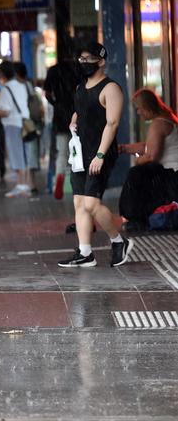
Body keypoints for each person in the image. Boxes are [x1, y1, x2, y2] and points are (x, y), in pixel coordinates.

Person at [57, 42, 133, 268]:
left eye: (89, 59)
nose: (84, 63)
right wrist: (74, 118)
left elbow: (112, 123)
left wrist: (100, 155)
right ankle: (85, 252)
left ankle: (119, 241)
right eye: (81, 59)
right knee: (79, 203)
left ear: (101, 61)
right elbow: (81, 110)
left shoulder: (111, 88)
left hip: (100, 153)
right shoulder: (81, 87)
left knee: (91, 204)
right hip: (80, 152)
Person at [118, 88, 178, 228]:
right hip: (173, 176)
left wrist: (137, 161)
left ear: (147, 108)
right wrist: (125, 148)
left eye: (139, 109)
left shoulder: (158, 124)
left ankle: (134, 218)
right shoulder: (169, 118)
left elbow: (151, 155)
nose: (138, 113)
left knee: (136, 174)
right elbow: (149, 145)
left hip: (173, 178)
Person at [44, 58, 80, 199]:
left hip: (60, 116)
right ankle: (76, 182)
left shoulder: (53, 71)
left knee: (62, 152)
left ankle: (59, 177)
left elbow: (47, 93)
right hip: (76, 114)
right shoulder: (76, 69)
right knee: (77, 150)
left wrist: (55, 103)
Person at [0, 61, 31, 197]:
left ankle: (21, 185)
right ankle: (25, 184)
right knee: (24, 153)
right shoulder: (22, 85)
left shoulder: (5, 89)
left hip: (12, 124)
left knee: (16, 154)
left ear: (2, 73)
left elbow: (6, 111)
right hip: (25, 123)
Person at [14, 62, 43, 193]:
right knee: (30, 152)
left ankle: (26, 183)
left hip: (22, 123)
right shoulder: (28, 85)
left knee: (23, 152)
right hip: (30, 123)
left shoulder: (19, 86)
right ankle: (31, 183)